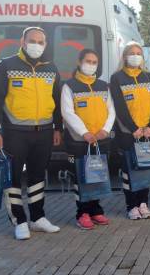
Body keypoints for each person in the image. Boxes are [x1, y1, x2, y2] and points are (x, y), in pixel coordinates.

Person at [0, 26, 62, 240]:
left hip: (44, 132)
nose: (36, 45)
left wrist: (58, 128)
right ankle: (19, 221)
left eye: (41, 42)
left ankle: (38, 218)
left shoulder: (51, 68)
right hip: (14, 132)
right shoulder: (6, 65)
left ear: (46, 44)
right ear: (22, 41)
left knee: (37, 176)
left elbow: (56, 101)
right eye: (32, 40)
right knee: (12, 178)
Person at [61, 49, 115, 229]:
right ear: (79, 62)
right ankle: (82, 213)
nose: (91, 65)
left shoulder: (103, 85)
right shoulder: (69, 86)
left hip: (100, 139)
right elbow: (68, 112)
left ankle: (95, 210)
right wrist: (84, 132)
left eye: (94, 62)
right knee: (81, 177)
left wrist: (105, 130)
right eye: (88, 61)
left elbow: (111, 111)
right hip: (79, 141)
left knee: (96, 174)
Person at [110, 42, 150, 220]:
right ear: (124, 56)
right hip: (127, 133)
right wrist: (134, 129)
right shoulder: (117, 78)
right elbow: (119, 107)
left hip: (147, 133)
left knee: (145, 168)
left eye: (139, 53)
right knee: (128, 169)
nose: (136, 56)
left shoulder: (149, 77)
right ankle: (131, 205)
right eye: (132, 53)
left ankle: (143, 203)